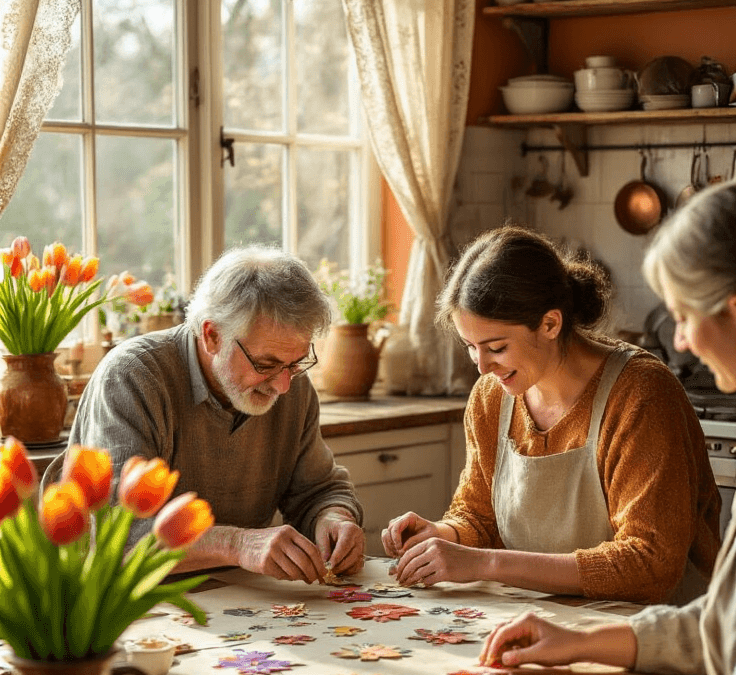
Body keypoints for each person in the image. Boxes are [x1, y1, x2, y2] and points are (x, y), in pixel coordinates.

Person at [475, 181, 736, 675]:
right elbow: (722, 626)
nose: (680, 342)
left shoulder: (639, 389)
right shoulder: (492, 399)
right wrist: (583, 641)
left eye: (682, 316)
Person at [382, 225, 720, 604]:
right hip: (546, 623)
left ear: (550, 323)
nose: (481, 367)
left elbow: (650, 564)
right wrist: (443, 535)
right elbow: (479, 517)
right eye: (470, 347)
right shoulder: (492, 397)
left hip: (656, 633)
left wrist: (485, 564)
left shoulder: (641, 396)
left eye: (496, 347)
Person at [49, 247, 364, 582]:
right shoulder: (132, 377)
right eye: (266, 364)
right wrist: (238, 545)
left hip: (235, 597)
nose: (284, 385)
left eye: (296, 363)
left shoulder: (290, 386)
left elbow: (318, 490)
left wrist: (334, 518)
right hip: (118, 603)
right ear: (212, 335)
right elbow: (121, 534)